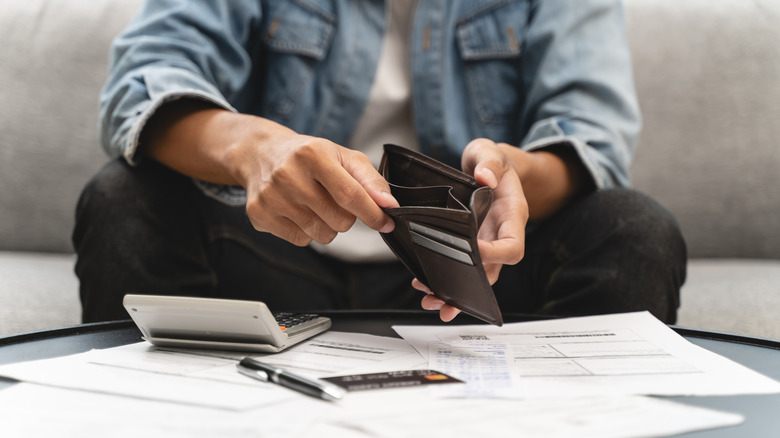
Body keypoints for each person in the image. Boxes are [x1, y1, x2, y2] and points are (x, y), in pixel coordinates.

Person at [73, 0, 686, 324]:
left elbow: (590, 134)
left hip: (469, 277)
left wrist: (512, 178)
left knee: (633, 230)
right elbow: (144, 78)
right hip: (270, 251)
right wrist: (254, 148)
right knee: (125, 201)